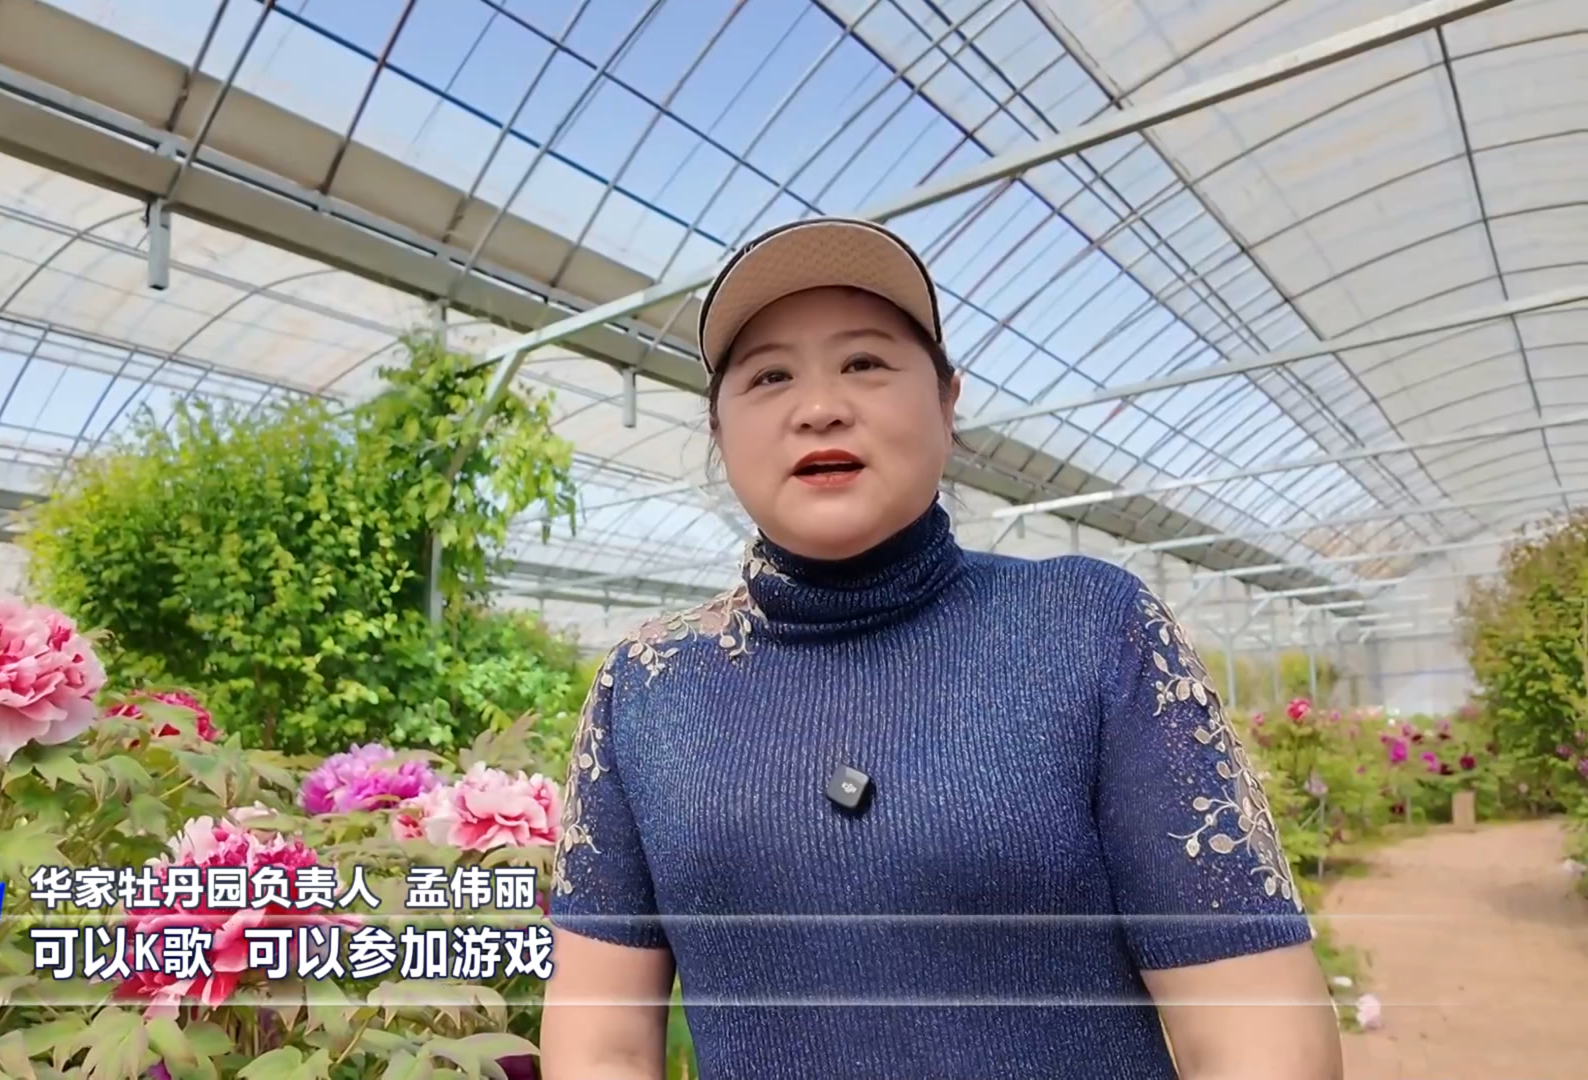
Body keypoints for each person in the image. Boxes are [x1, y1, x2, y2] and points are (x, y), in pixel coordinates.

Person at [537, 217, 1343, 1079]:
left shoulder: (1088, 629)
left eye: (864, 363)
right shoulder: (649, 686)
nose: (819, 407)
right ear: (719, 431)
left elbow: (1259, 1036)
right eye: (770, 375)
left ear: (947, 403)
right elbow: (602, 1045)